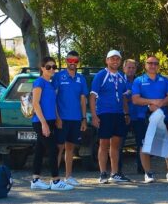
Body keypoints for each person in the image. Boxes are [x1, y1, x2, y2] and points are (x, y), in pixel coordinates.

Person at [29, 57, 73, 191]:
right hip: (41, 122)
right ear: (42, 68)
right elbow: (36, 104)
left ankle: (35, 180)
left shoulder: (51, 83)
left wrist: (57, 118)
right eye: (48, 67)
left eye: (54, 67)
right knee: (53, 149)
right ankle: (55, 181)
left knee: (40, 150)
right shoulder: (39, 82)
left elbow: (52, 104)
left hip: (51, 121)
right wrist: (44, 124)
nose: (52, 69)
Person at [131, 55, 168, 183]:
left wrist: (160, 104)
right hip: (144, 117)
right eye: (150, 63)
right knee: (145, 145)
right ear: (145, 65)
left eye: (155, 63)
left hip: (164, 116)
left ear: (158, 65)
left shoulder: (164, 80)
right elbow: (135, 99)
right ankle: (148, 173)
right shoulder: (138, 80)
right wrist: (151, 102)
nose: (153, 65)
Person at [90, 50, 131, 184]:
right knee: (103, 144)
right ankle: (102, 173)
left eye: (117, 59)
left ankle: (115, 173)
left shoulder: (121, 76)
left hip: (118, 114)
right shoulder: (101, 75)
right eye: (112, 59)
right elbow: (92, 96)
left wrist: (126, 113)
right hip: (104, 113)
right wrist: (94, 116)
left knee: (116, 144)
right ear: (107, 60)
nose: (115, 61)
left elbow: (124, 96)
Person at [53, 51, 88, 187]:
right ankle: (55, 178)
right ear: (66, 60)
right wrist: (57, 117)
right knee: (58, 147)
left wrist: (83, 118)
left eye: (75, 61)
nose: (72, 63)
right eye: (70, 60)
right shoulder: (58, 76)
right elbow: (54, 98)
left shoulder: (81, 78)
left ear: (78, 62)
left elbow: (83, 99)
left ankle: (68, 176)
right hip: (62, 118)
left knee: (70, 148)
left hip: (76, 119)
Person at [122, 58, 144, 174]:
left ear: (136, 69)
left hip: (139, 116)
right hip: (124, 116)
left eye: (133, 67)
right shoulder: (119, 80)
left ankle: (142, 169)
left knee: (141, 143)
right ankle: (117, 171)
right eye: (128, 67)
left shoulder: (140, 81)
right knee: (120, 143)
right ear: (124, 68)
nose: (131, 70)